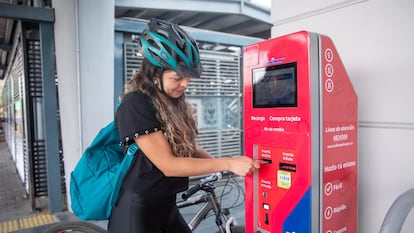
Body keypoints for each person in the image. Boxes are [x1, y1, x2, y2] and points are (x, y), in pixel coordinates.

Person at [108, 18, 260, 233]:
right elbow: (169, 165)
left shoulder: (172, 103)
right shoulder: (135, 103)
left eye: (188, 77)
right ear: (154, 74)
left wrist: (222, 166)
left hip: (166, 206)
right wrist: (227, 163)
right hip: (137, 212)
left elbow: (189, 147)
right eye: (178, 77)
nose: (185, 83)